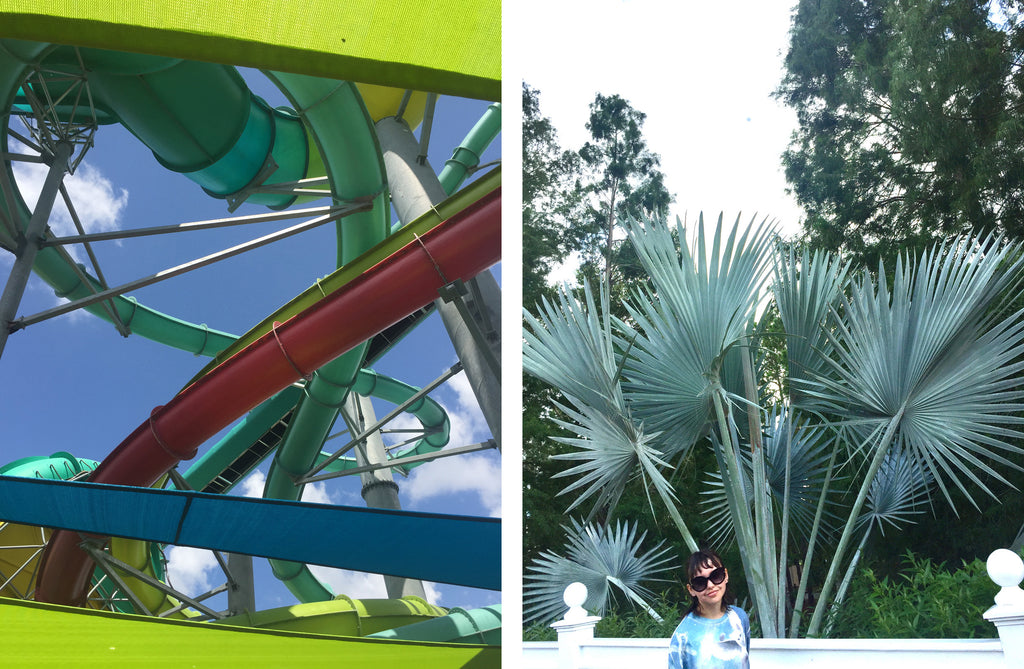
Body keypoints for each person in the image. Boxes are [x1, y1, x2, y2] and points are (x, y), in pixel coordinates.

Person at [667, 549, 751, 669]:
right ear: (691, 590)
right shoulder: (682, 637)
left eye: (716, 576)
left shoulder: (739, 618)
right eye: (700, 582)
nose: (710, 585)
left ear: (726, 575)